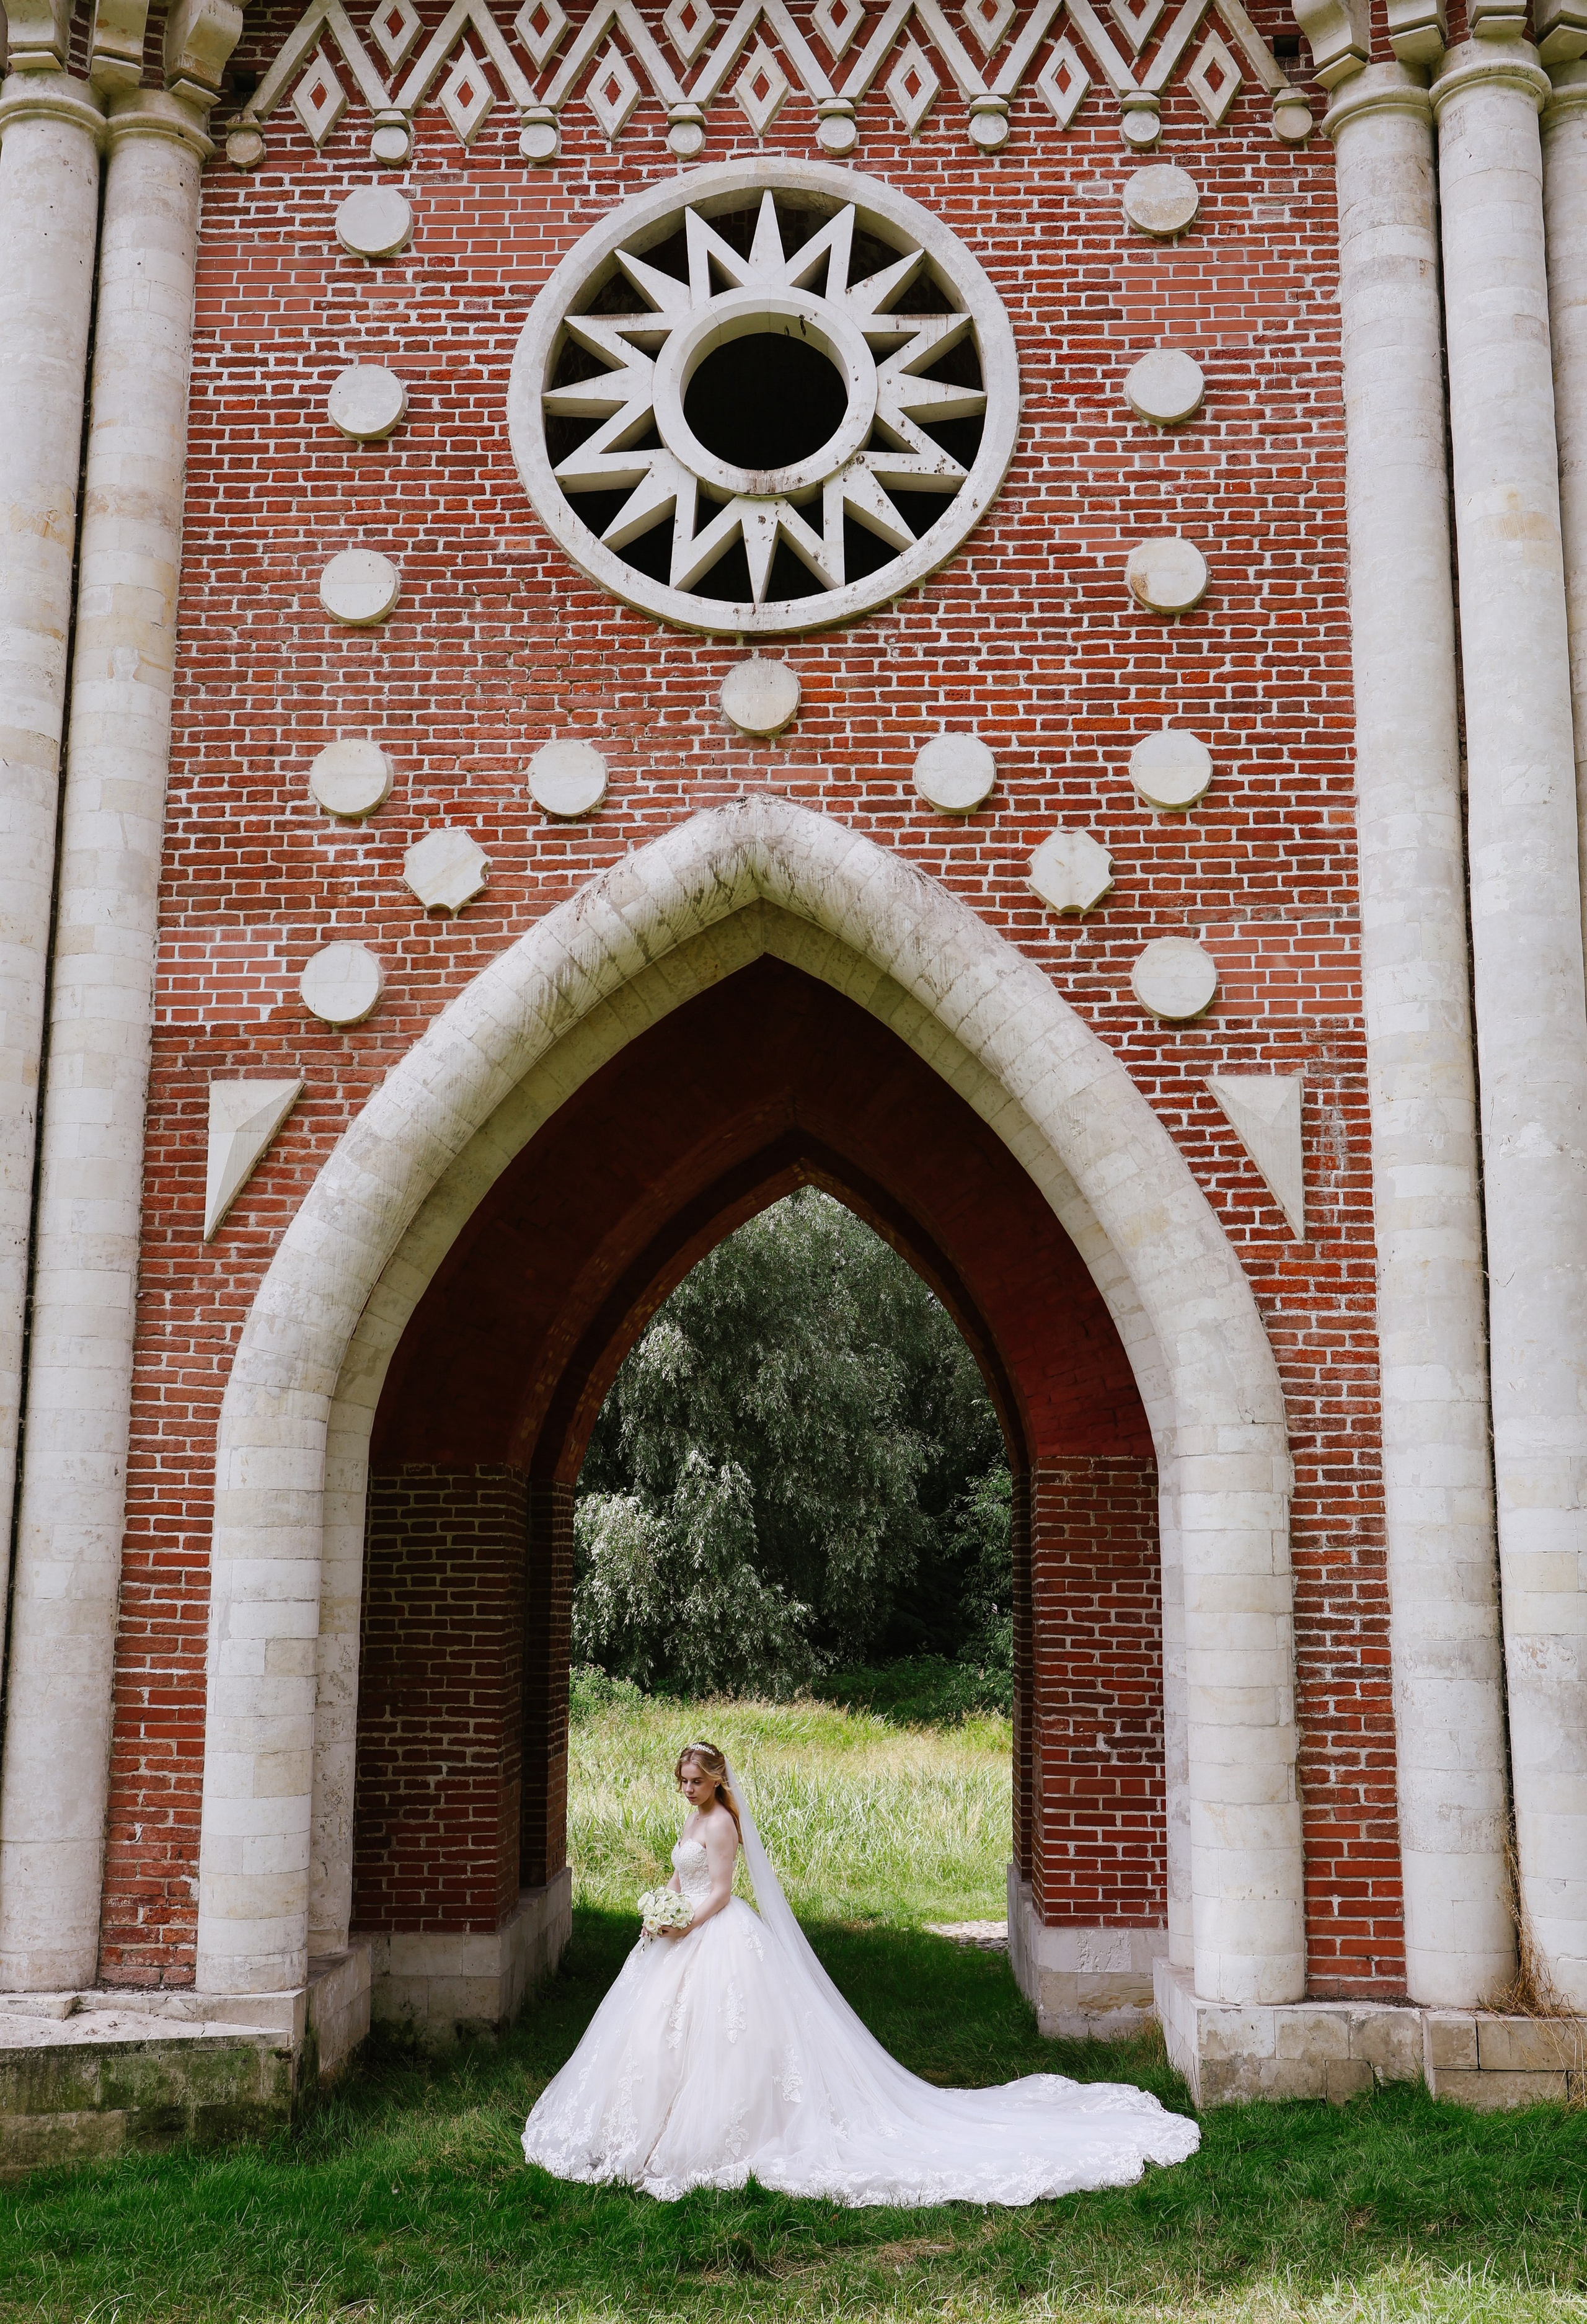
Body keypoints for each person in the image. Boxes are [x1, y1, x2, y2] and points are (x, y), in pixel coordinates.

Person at [521, 1741, 1199, 2206]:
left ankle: (712, 2134)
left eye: (697, 1780)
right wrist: (657, 1908)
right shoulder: (693, 1817)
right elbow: (681, 1871)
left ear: (718, 1781)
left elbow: (722, 1891)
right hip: (676, 1930)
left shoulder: (723, 1823)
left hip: (715, 1933)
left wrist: (686, 1922)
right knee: (653, 2038)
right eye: (683, 1780)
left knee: (726, 2040)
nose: (688, 1788)